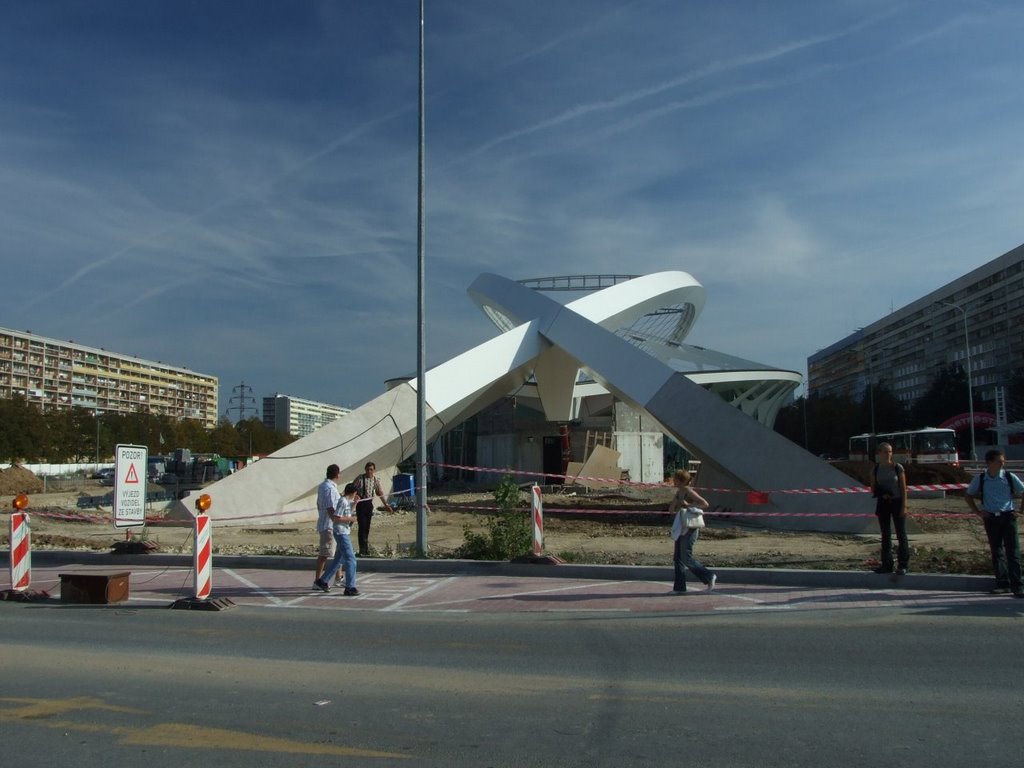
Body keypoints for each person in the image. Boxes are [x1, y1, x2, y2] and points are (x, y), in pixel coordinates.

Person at [966, 448, 1024, 597]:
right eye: (999, 460)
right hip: (991, 518)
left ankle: (1017, 586)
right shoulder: (981, 479)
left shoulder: (1009, 477)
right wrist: (978, 512)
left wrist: (1020, 511)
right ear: (990, 462)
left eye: (1003, 460)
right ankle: (1003, 584)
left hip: (1008, 517)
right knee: (997, 552)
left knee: (1013, 553)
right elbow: (968, 495)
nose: (1002, 463)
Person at [668, 468, 716, 593]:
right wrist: (677, 502)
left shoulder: (689, 491)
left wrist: (688, 505)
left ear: (681, 480)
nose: (673, 481)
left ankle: (708, 576)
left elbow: (704, 504)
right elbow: (671, 510)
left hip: (690, 527)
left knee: (686, 557)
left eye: (675, 479)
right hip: (681, 527)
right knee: (678, 558)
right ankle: (679, 588)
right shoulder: (679, 492)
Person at [316, 482, 360, 596]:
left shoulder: (346, 501)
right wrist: (352, 518)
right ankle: (350, 587)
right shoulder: (342, 501)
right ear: (353, 492)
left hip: (344, 531)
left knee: (339, 559)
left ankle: (323, 580)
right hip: (341, 533)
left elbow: (346, 512)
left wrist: (355, 504)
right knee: (351, 559)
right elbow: (336, 518)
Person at [871, 442, 909, 575]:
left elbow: (903, 489)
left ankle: (903, 565)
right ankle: (887, 564)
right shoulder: (876, 469)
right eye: (886, 451)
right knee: (886, 535)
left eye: (890, 452)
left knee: (901, 533)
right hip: (883, 503)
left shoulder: (898, 468)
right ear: (879, 453)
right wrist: (882, 493)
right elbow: (873, 487)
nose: (889, 454)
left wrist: (904, 506)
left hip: (897, 502)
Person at [353, 462, 393, 556]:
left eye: (371, 469)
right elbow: (352, 489)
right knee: (362, 526)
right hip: (361, 504)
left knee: (367, 527)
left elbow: (380, 493)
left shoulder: (375, 480)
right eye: (367, 469)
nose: (369, 471)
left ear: (374, 470)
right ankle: (362, 549)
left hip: (369, 504)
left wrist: (386, 505)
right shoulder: (360, 478)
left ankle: (366, 549)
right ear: (365, 469)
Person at [314, 464, 344, 589]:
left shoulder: (323, 486)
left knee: (339, 552)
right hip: (329, 526)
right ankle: (317, 581)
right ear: (337, 474)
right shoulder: (330, 488)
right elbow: (330, 507)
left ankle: (338, 577)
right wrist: (336, 520)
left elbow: (319, 503)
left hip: (328, 524)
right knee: (325, 554)